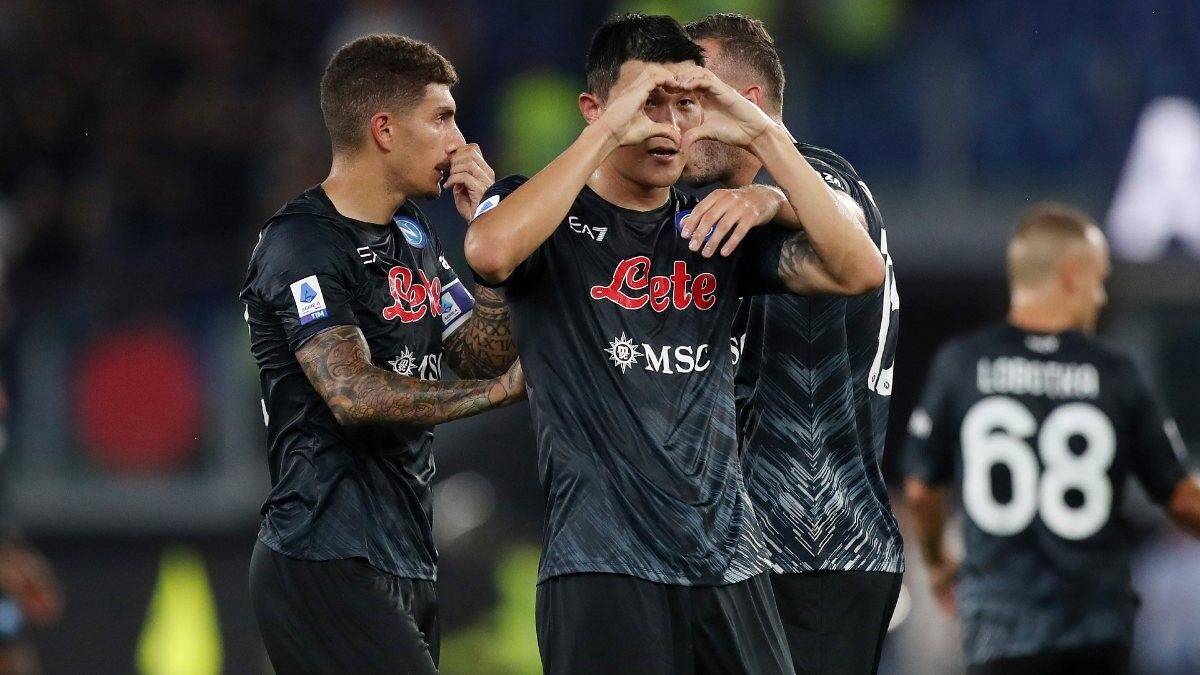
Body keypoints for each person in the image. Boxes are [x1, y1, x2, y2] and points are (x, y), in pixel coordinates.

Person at [465, 13, 884, 675]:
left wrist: (765, 137)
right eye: (647, 103)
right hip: (604, 564)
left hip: (731, 565)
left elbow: (859, 269)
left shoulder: (710, 229)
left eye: (685, 106)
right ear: (595, 109)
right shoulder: (538, 212)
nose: (667, 125)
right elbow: (489, 252)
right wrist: (607, 133)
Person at [240, 34, 522, 674]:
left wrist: (489, 250)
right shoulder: (302, 242)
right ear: (385, 129)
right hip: (323, 554)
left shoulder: (414, 238)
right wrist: (500, 393)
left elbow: (481, 353)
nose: (460, 142)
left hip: (406, 554)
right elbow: (353, 394)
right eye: (442, 118)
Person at [678, 14, 904, 674]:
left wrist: (769, 200)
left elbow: (848, 223)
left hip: (820, 552)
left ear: (748, 107)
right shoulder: (717, 222)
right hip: (748, 557)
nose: (675, 126)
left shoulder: (825, 182)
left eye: (693, 104)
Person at [903, 203, 1200, 675]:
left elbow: (921, 489)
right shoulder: (1115, 373)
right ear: (1071, 276)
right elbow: (1182, 500)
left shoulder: (963, 363)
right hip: (1096, 630)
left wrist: (939, 563)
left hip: (999, 628)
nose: (1101, 297)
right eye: (1098, 280)